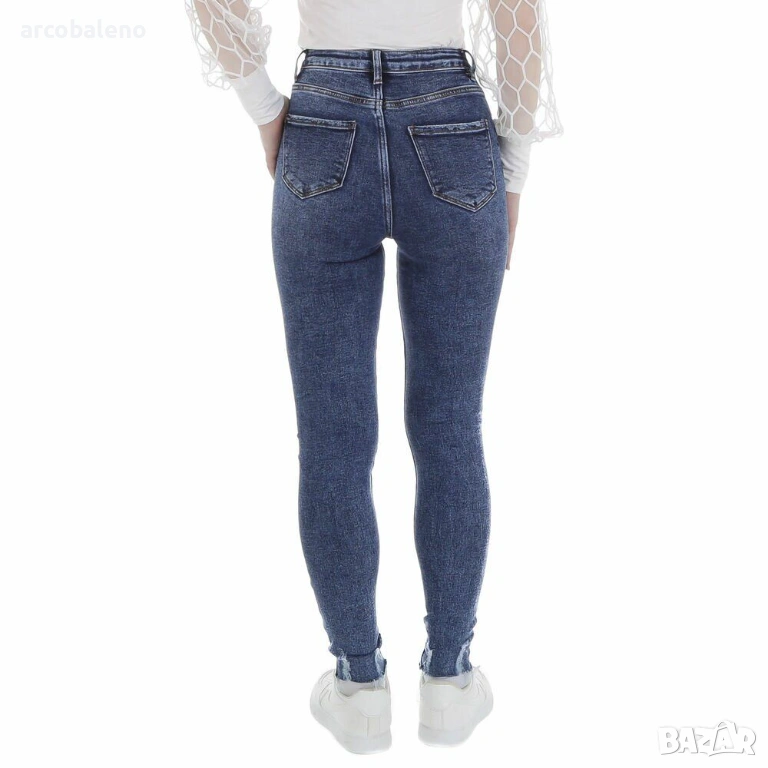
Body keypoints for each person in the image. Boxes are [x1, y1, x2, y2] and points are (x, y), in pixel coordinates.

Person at [186, 0, 562, 753]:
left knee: (332, 441)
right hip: (451, 129)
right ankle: (450, 681)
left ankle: (358, 689)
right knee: (450, 430)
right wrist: (515, 170)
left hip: (323, 124)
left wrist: (265, 109)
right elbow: (516, 10)